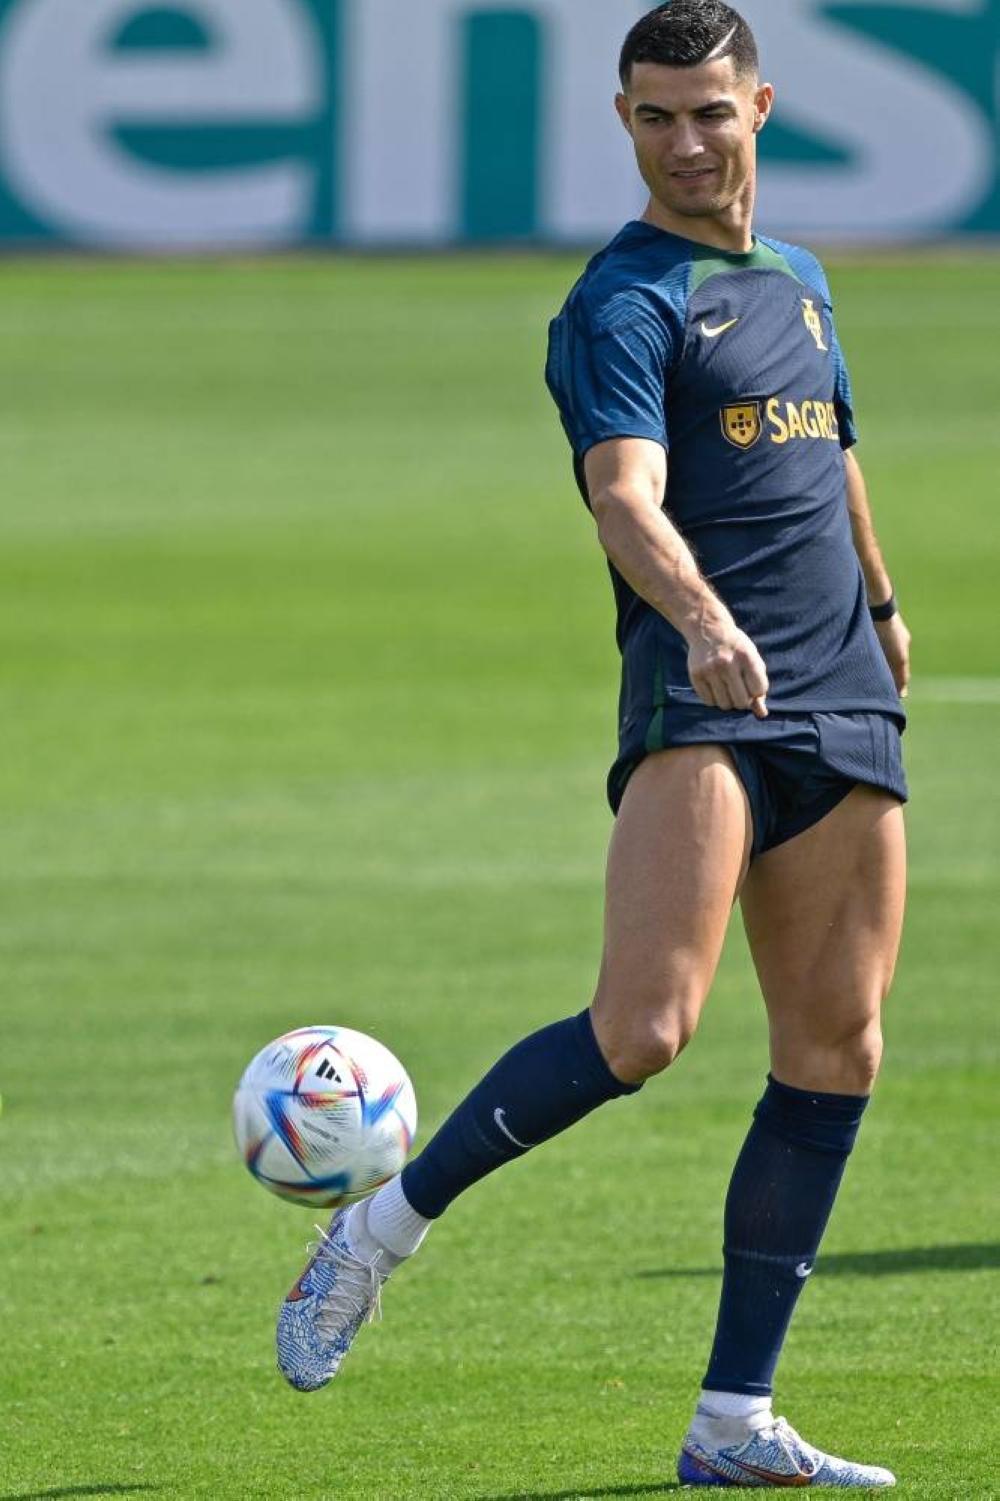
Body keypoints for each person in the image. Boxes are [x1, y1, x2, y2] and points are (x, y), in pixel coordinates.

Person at [275, 1, 911, 1487]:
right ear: (624, 123)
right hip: (710, 694)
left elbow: (834, 444)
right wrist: (697, 617)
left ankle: (733, 1419)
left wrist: (883, 604)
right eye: (653, 116)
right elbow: (625, 494)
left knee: (838, 1049)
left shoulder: (803, 280)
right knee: (646, 1027)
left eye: (709, 110)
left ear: (763, 105)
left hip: (843, 692)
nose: (686, 141)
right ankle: (378, 1228)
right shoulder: (623, 299)